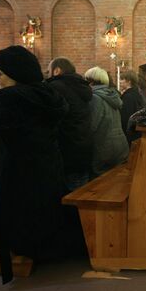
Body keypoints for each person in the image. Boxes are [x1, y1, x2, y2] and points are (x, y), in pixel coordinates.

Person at [0, 46, 81, 284]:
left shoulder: (12, 99)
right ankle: (45, 251)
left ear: (15, 75)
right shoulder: (47, 95)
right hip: (46, 167)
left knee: (23, 217)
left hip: (16, 174)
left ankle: (27, 251)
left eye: (1, 75)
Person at [47, 57, 93, 191]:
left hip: (66, 148)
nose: (47, 74)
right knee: (80, 190)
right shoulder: (81, 86)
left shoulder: (56, 87)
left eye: (48, 71)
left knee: (68, 196)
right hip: (83, 145)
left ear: (56, 71)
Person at [85, 67, 129, 178]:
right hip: (120, 146)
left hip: (104, 149)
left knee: (99, 184)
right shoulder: (113, 95)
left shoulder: (95, 98)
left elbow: (92, 126)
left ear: (91, 81)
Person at [118, 70, 145, 139]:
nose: (120, 81)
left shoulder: (128, 97)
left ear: (129, 81)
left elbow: (126, 118)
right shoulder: (137, 93)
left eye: (122, 79)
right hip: (136, 132)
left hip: (129, 134)